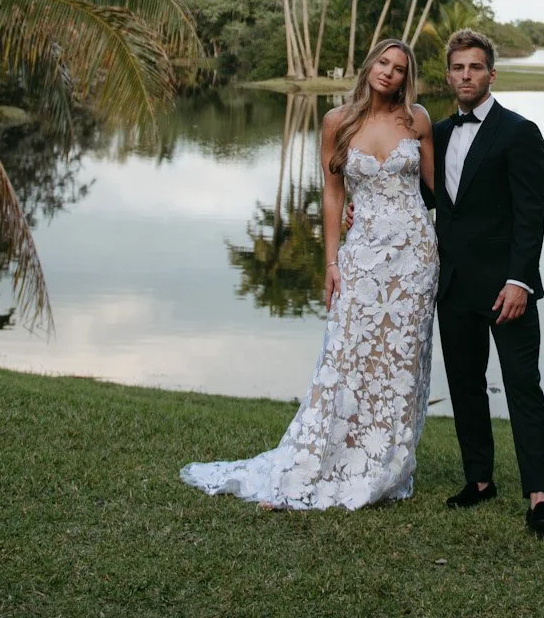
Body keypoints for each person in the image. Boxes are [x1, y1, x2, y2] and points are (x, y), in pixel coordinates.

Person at [180, 40, 438, 509]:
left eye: (399, 69)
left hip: (414, 259)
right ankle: (328, 456)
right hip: (360, 259)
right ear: (369, 66)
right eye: (383, 63)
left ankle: (386, 463)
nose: (389, 73)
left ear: (407, 77)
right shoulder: (337, 123)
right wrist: (332, 263)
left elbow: (434, 190)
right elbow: (334, 195)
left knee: (399, 363)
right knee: (347, 355)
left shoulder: (416, 119)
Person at [430, 28, 544, 537]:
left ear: (490, 74)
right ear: (448, 74)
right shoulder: (435, 134)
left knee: (523, 386)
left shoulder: (520, 132)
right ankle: (479, 480)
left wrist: (520, 282)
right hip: (454, 285)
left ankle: (539, 496)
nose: (466, 75)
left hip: (507, 289)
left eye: (475, 67)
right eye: (458, 68)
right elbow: (427, 203)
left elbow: (532, 214)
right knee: (465, 385)